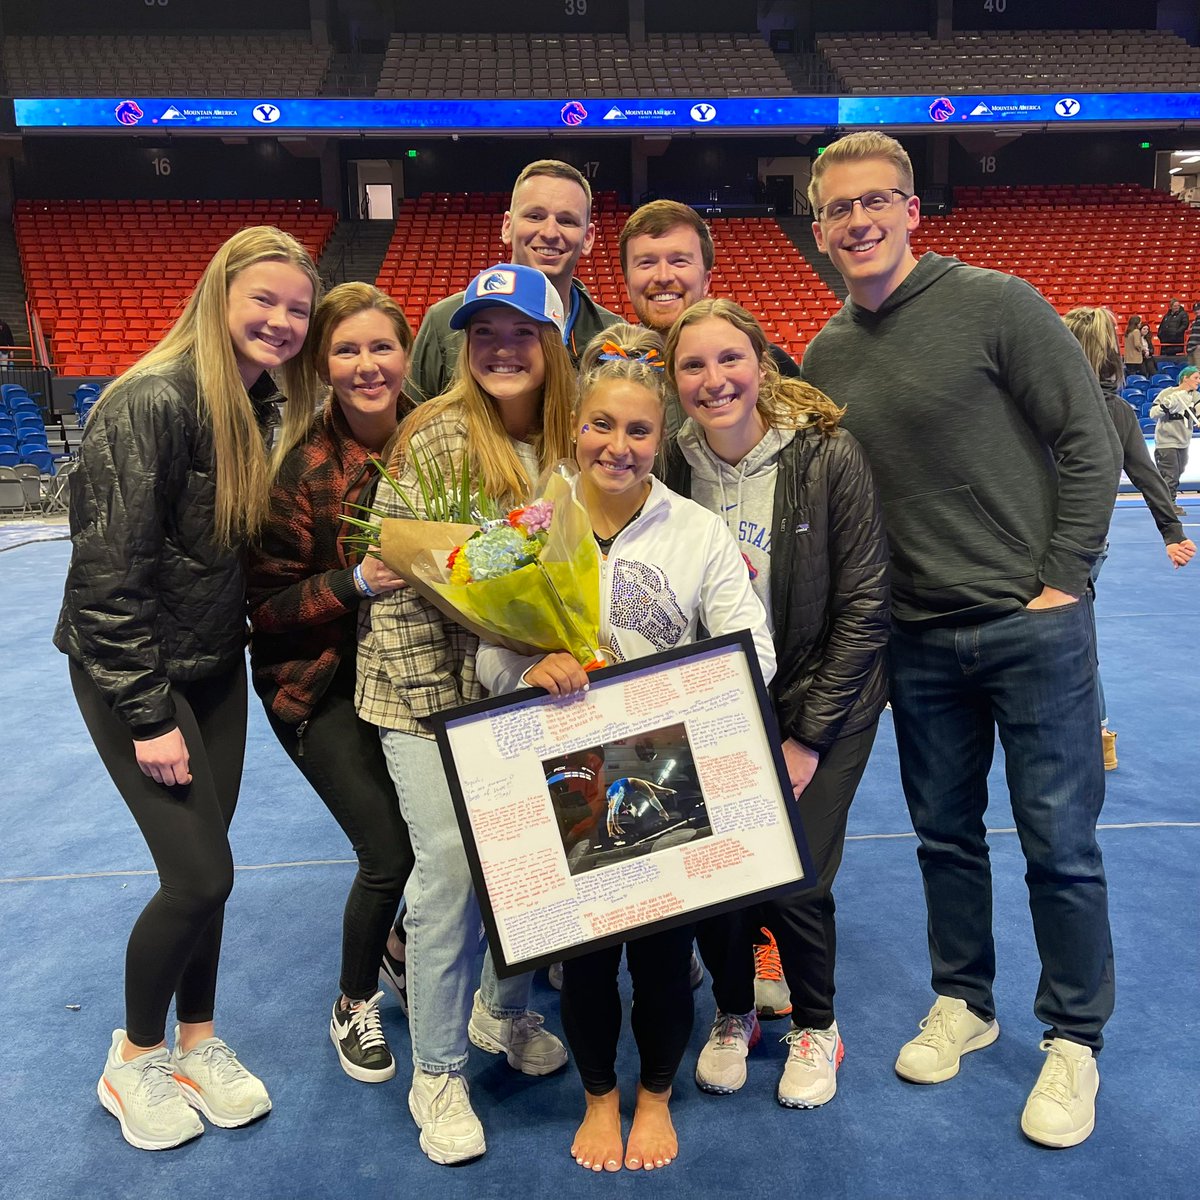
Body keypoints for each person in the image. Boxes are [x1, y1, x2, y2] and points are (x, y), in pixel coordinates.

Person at [801, 131, 1121, 1150]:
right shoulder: (825, 354)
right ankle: (966, 1002)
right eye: (838, 209)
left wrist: (1065, 578)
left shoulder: (999, 303)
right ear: (817, 229)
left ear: (910, 210)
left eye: (875, 201)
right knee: (946, 839)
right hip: (919, 641)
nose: (858, 221)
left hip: (1033, 630)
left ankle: (1074, 1037)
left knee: (1059, 848)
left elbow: (1089, 437)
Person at [477, 323, 777, 1173]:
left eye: (639, 431)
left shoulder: (695, 531)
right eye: (602, 426)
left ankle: (653, 1096)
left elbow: (753, 646)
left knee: (656, 956)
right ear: (576, 429)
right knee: (585, 957)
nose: (619, 445)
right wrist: (532, 665)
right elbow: (485, 648)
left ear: (662, 439)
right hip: (563, 771)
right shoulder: (526, 524)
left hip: (663, 767)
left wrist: (676, 691)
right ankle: (598, 1098)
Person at [54, 226, 321, 1151]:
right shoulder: (148, 401)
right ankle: (132, 1059)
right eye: (266, 302)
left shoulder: (250, 407)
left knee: (210, 876)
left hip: (213, 671)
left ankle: (198, 1042)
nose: (283, 322)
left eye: (297, 309)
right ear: (218, 296)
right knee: (200, 874)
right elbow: (103, 580)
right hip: (141, 680)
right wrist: (145, 712)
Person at [355, 263, 573, 1165]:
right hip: (424, 699)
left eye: (521, 331)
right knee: (449, 869)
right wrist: (459, 718)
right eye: (484, 333)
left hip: (526, 689)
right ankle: (438, 1071)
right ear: (463, 345)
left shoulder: (572, 436)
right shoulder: (432, 439)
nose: (502, 349)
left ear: (553, 343)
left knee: (528, 862)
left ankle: (503, 1009)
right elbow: (403, 587)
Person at [660, 298, 890, 1108]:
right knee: (720, 875)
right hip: (720, 707)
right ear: (674, 377)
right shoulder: (667, 463)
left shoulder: (827, 455)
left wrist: (808, 736)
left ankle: (817, 1027)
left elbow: (865, 605)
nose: (714, 379)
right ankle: (732, 1014)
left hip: (826, 695)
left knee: (793, 875)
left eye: (730, 359)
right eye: (693, 365)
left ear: (762, 362)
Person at [246, 283, 417, 1084]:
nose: (366, 365)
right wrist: (357, 582)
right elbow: (265, 610)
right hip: (318, 684)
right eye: (346, 350)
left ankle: (399, 944)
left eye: (381, 347)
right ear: (323, 364)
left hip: (419, 674)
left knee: (444, 842)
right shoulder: (302, 469)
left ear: (406, 354)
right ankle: (353, 1000)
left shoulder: (435, 438)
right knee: (389, 851)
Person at [1062, 306, 1196, 771]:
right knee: (1076, 631)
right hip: (1088, 543)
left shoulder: (1046, 406)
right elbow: (1145, 474)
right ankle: (1097, 732)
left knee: (1059, 637)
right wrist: (1171, 530)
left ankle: (1091, 727)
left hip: (1041, 541)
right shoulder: (1116, 410)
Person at [406, 159, 620, 402]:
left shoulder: (613, 335)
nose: (550, 232)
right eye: (535, 216)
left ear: (588, 238)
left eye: (567, 220)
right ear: (507, 227)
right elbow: (413, 427)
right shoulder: (443, 322)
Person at [1149, 364, 1199, 513]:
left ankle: (1164, 502)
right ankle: (1168, 506)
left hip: (1183, 442)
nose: (1198, 381)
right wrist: (1166, 406)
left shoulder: (1195, 396)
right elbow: (1153, 413)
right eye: (1196, 378)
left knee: (1177, 472)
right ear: (1185, 378)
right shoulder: (1168, 393)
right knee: (1170, 475)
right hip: (1166, 442)